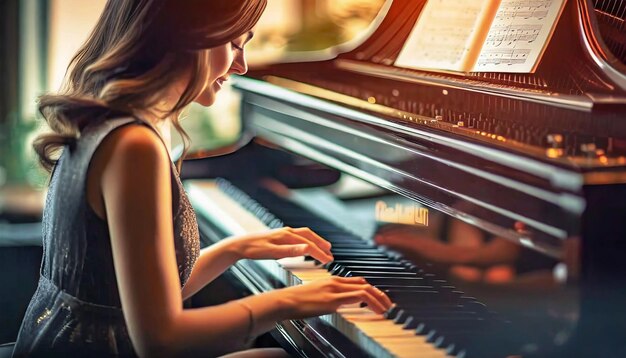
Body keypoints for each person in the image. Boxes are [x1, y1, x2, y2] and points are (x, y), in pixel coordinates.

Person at [14, 1, 392, 356]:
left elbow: (126, 293)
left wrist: (236, 248)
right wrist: (286, 302)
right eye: (235, 42)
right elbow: (160, 340)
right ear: (193, 34)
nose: (242, 65)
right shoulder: (134, 145)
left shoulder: (109, 120)